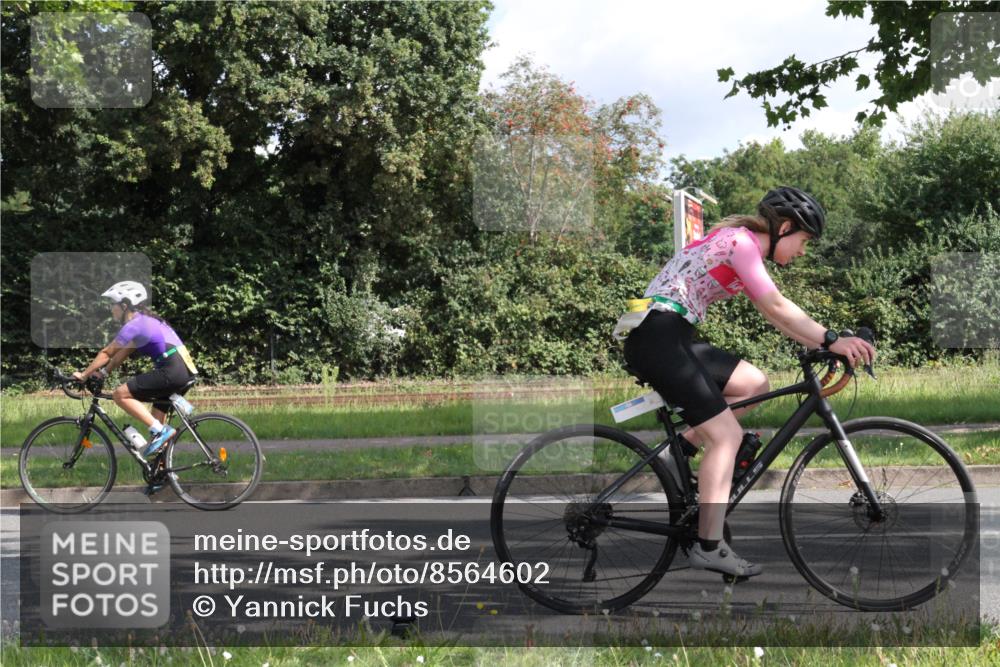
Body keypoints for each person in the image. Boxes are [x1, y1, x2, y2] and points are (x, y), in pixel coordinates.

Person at [619, 186, 875, 578]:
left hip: (668, 335)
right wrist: (831, 339)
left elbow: (774, 314)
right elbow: (776, 305)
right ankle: (709, 546)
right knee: (726, 437)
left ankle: (679, 451)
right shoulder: (741, 243)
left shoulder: (741, 244)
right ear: (784, 227)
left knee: (754, 383)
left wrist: (826, 344)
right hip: (659, 338)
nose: (803, 251)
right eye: (804, 240)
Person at [74, 281, 198, 458]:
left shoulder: (135, 325)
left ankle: (160, 431)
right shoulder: (145, 322)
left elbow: (107, 353)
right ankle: (162, 468)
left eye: (113, 304)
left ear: (124, 306)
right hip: (183, 370)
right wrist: (103, 373)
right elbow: (122, 353)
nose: (111, 309)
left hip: (171, 370)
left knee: (120, 395)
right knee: (156, 434)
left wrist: (84, 375)